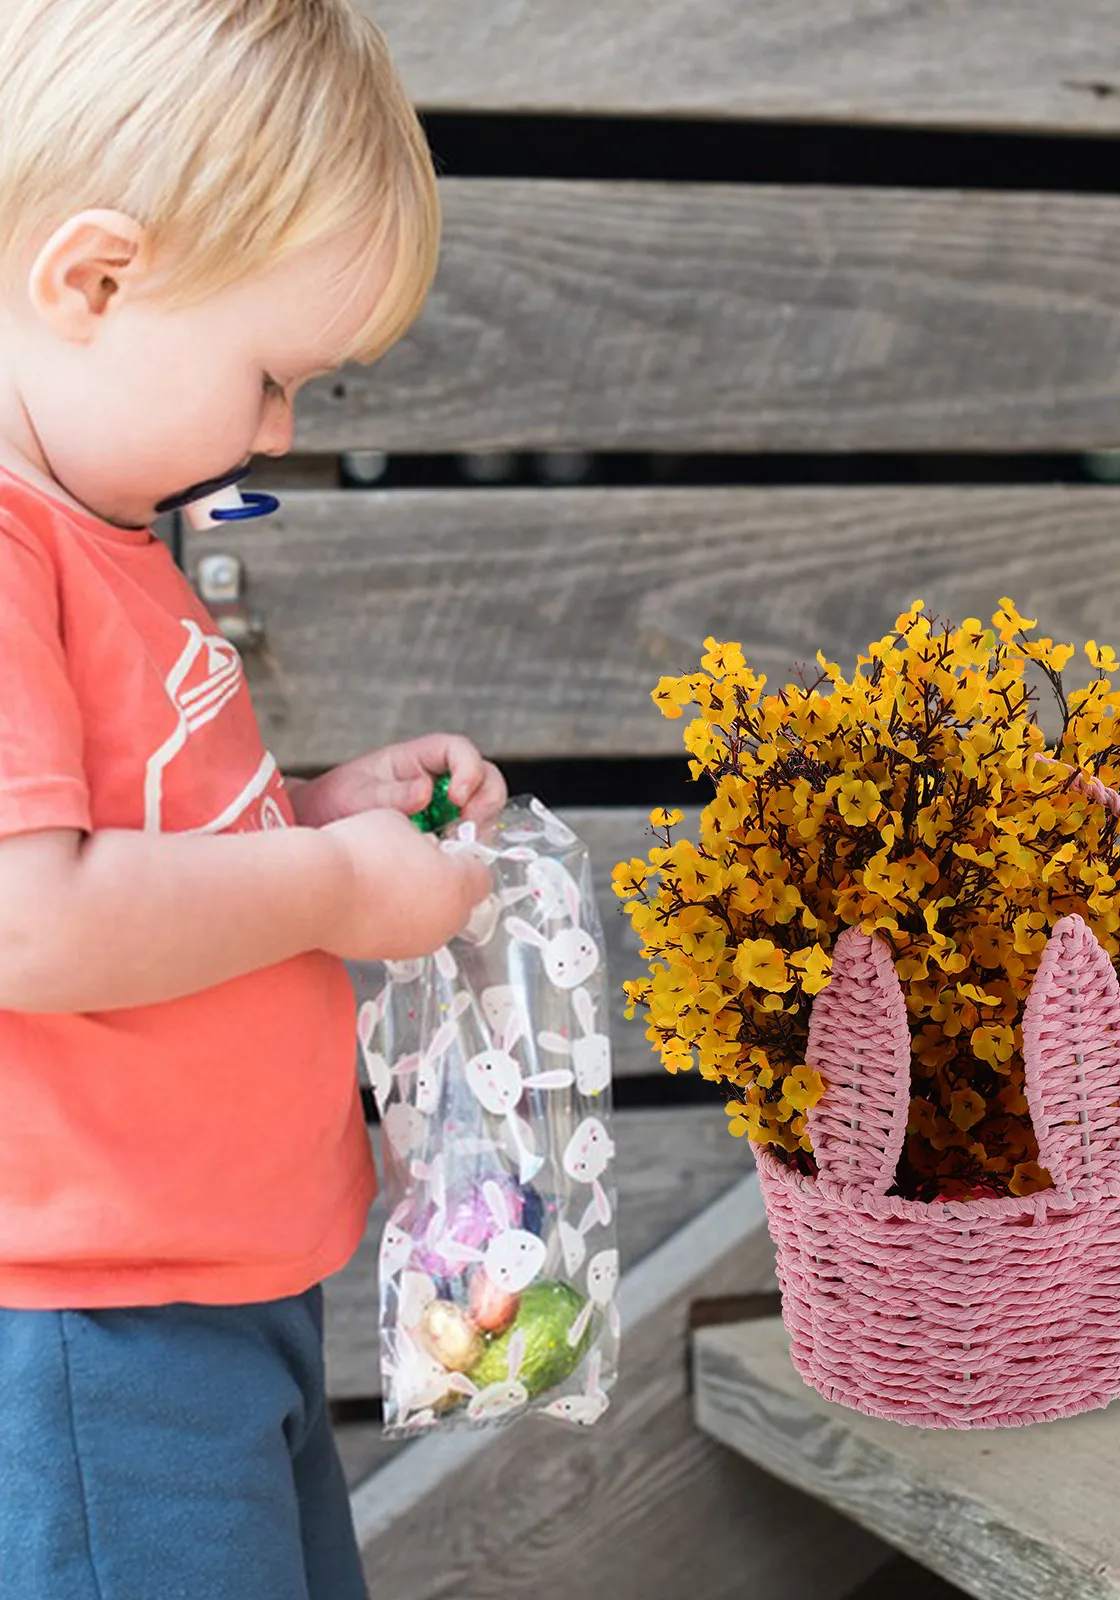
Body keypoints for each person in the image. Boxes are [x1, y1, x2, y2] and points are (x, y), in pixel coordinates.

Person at [0, 3, 503, 1595]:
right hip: (95, 1326)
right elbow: (28, 917)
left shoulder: (99, 534)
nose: (277, 436)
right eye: (273, 376)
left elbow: (140, 836)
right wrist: (341, 888)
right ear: (94, 281)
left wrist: (316, 809)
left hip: (203, 1288)